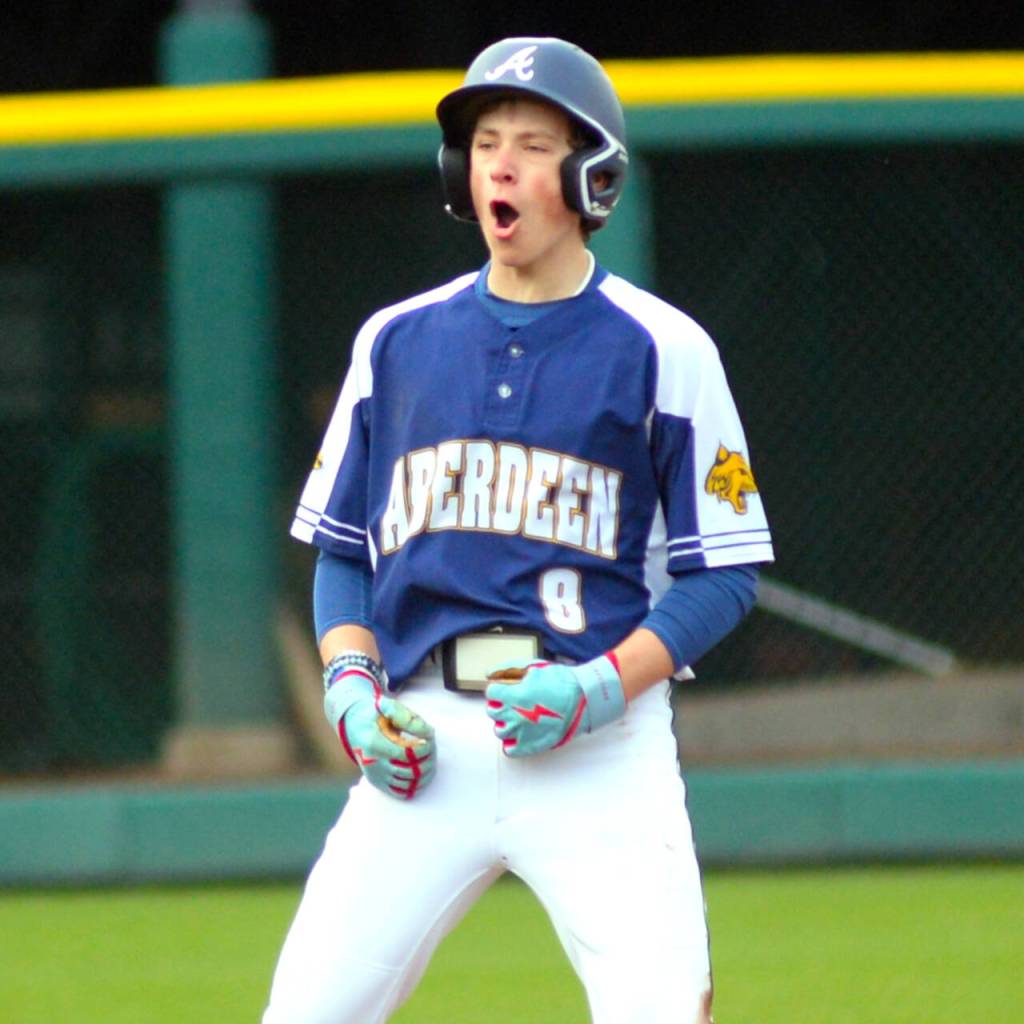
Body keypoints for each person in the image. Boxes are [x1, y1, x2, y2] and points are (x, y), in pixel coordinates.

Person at [263, 36, 773, 1024]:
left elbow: (724, 577)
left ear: (591, 176)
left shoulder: (664, 348)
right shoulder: (397, 340)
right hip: (426, 745)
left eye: (532, 144)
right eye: (483, 140)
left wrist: (596, 685)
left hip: (597, 750)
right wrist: (351, 694)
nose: (498, 161)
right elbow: (342, 553)